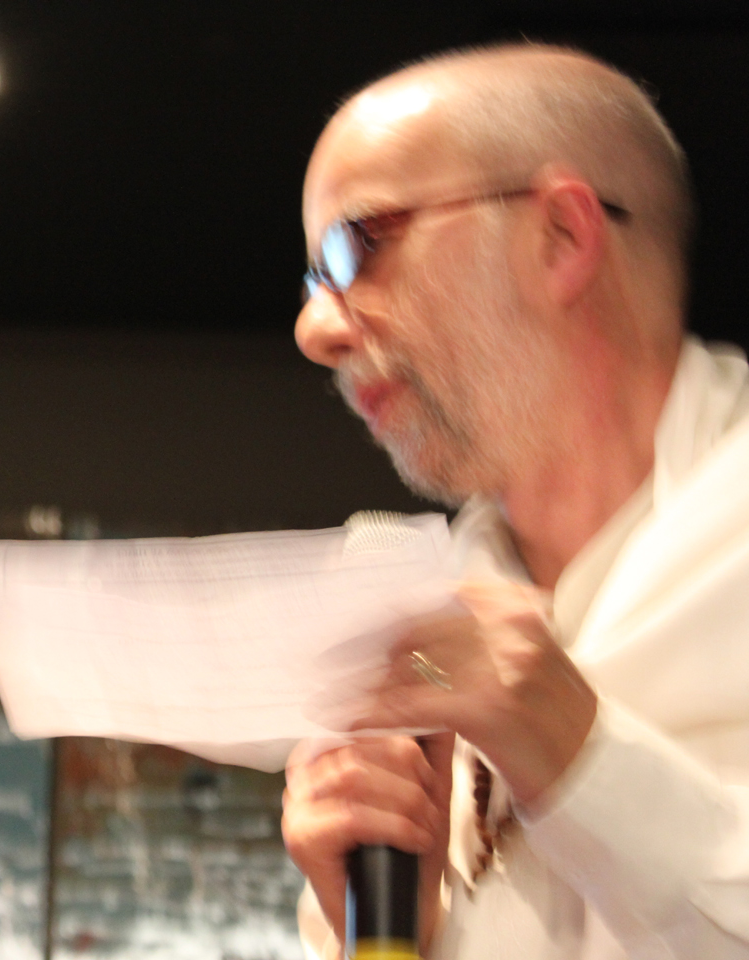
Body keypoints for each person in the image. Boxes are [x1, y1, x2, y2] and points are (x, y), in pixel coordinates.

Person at [282, 44, 749, 959]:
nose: (316, 330)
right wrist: (390, 941)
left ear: (562, 237)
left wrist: (580, 756)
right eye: (313, 280)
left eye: (356, 247)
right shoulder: (425, 637)